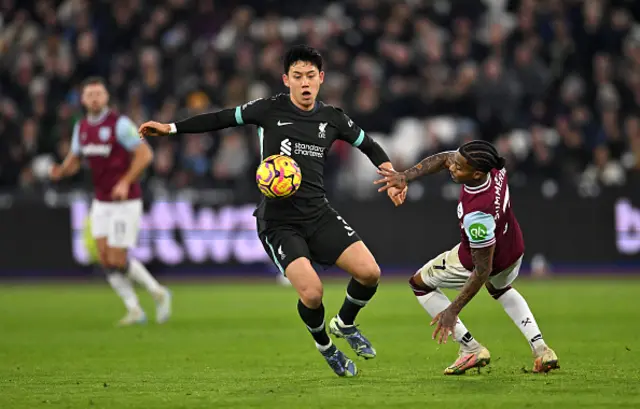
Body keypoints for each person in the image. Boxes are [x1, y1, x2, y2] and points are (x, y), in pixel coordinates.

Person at [138, 45, 407, 377]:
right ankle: (326, 346)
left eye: (311, 76)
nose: (305, 83)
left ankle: (345, 323)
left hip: (318, 213)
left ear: (321, 79)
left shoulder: (332, 118)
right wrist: (172, 128)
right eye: (297, 77)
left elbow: (369, 145)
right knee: (312, 292)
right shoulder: (268, 110)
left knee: (370, 273)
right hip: (279, 222)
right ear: (286, 80)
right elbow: (221, 118)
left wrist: (393, 175)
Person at [375, 140, 559, 375]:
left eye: (459, 167)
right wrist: (405, 176)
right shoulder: (494, 167)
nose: (452, 167)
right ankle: (542, 350)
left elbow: (482, 270)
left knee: (419, 284)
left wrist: (453, 310)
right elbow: (444, 158)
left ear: (476, 174)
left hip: (480, 259)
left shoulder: (478, 214)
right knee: (501, 289)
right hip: (513, 249)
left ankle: (469, 347)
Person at [50, 77, 172, 326]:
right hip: (101, 201)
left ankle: (158, 292)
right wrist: (60, 171)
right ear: (83, 100)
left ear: (106, 97)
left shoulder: (120, 125)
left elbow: (145, 154)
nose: (94, 98)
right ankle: (134, 309)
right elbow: (74, 160)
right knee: (104, 258)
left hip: (126, 201)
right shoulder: (82, 127)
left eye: (99, 93)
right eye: (90, 94)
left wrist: (125, 180)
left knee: (117, 258)